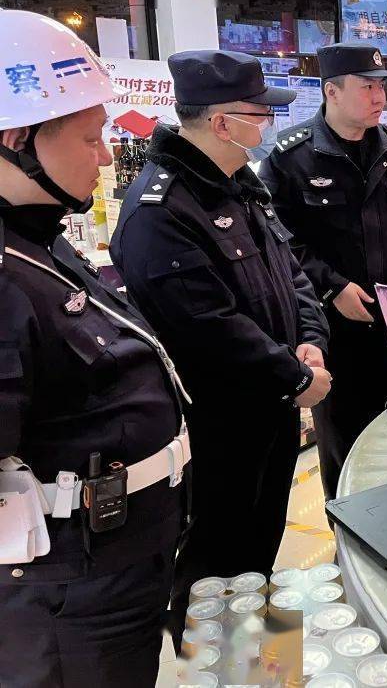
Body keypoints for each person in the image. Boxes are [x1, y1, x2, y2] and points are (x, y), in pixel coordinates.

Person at [109, 50, 331, 639]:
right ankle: (212, 666)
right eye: (261, 114)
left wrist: (310, 345)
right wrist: (294, 376)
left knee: (259, 551)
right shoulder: (160, 211)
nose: (270, 125)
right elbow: (208, 329)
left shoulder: (238, 184)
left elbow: (293, 274)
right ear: (224, 122)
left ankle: (255, 660)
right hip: (215, 430)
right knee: (212, 567)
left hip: (273, 413)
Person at [0, 11, 191, 687]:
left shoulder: (35, 239)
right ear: (18, 138)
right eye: (90, 138)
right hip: (70, 601)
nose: (108, 156)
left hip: (117, 567)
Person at [261, 44, 387, 499]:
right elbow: (279, 244)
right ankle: (345, 538)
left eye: (382, 86)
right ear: (332, 91)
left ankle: (384, 524)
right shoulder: (291, 159)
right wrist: (331, 287)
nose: (380, 97)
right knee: (341, 442)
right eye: (367, 87)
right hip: (330, 330)